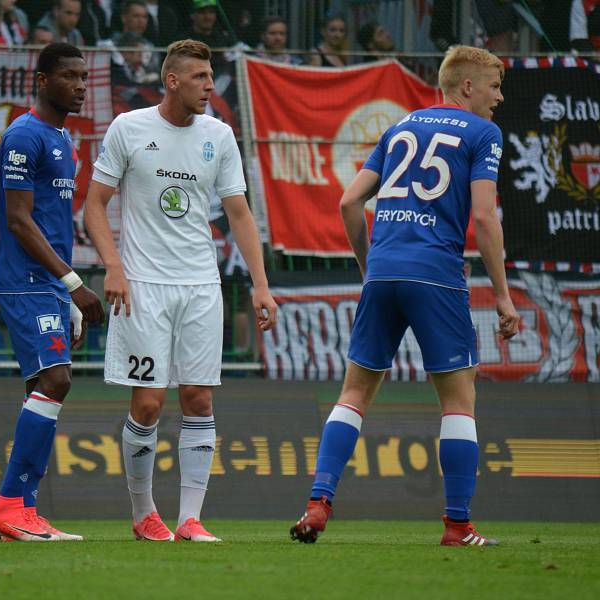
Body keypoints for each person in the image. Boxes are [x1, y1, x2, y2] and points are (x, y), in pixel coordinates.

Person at [290, 45, 520, 547]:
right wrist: (502, 296)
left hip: (384, 273)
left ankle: (317, 504)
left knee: (353, 394)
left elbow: (350, 201)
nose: (498, 97)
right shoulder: (483, 134)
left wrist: (369, 266)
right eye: (494, 86)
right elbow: (483, 217)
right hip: (436, 275)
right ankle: (458, 526)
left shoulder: (399, 129)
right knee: (459, 401)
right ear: (466, 87)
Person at [84, 39, 278, 543]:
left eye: (211, 78)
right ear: (173, 81)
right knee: (147, 405)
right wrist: (113, 267)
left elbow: (239, 213)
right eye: (199, 78)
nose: (210, 87)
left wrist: (261, 286)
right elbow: (94, 205)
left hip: (200, 285)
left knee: (197, 398)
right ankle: (144, 513)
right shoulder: (129, 128)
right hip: (143, 285)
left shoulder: (220, 135)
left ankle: (191, 518)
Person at [0, 42, 105, 542]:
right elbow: (19, 220)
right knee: (57, 381)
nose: (80, 85)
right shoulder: (23, 135)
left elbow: (54, 224)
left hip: (47, 285)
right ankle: (9, 504)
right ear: (42, 80)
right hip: (26, 281)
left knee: (43, 386)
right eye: (70, 76)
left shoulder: (62, 138)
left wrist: (64, 291)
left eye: (83, 77)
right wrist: (74, 285)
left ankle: (25, 512)